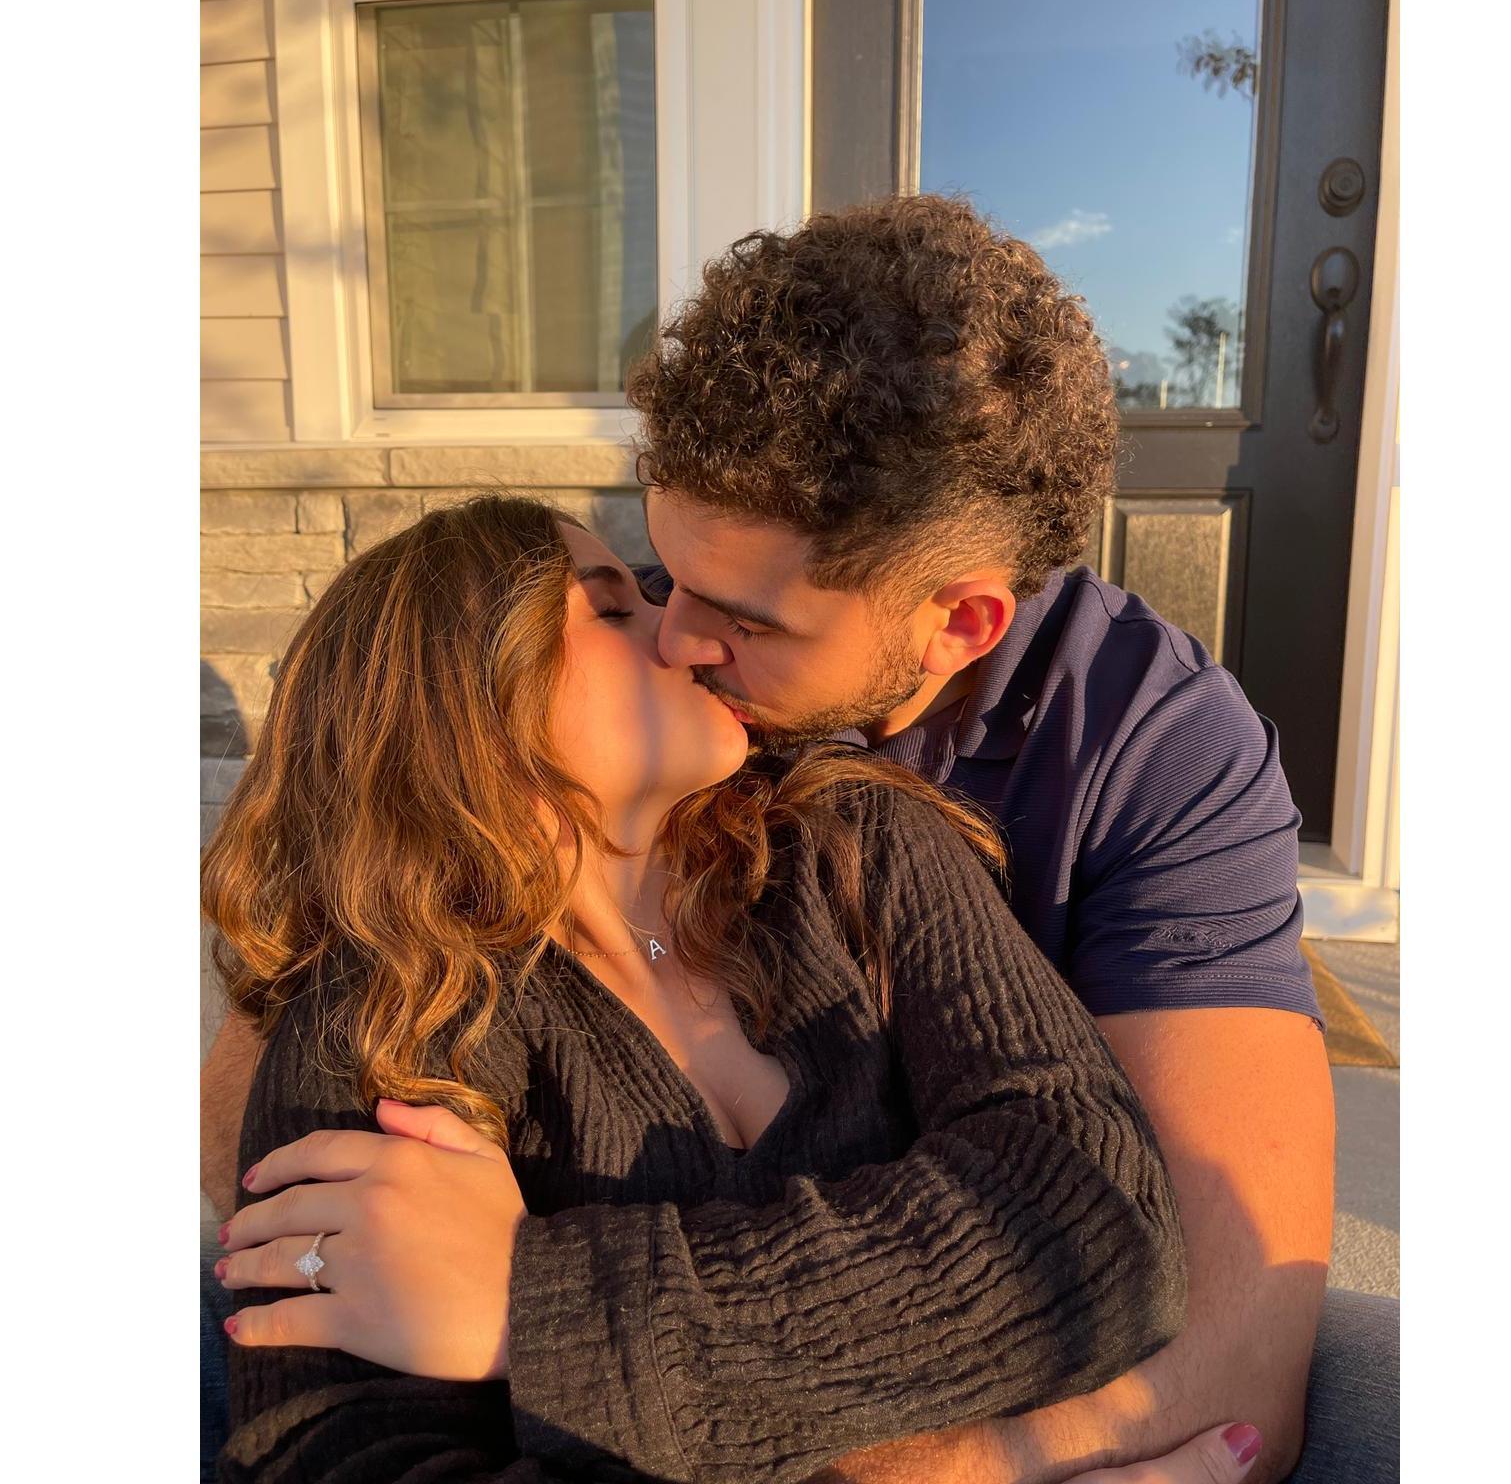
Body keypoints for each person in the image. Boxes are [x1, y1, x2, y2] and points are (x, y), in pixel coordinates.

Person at [204, 193, 1397, 1481]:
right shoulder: (583, 796)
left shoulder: (1021, 785)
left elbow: (1146, 1265)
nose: (677, 634)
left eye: (742, 619)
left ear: (958, 625)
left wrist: (534, 1305)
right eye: (647, 579)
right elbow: (289, 1201)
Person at [201, 495, 1198, 1482]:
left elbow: (1101, 1224)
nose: (684, 637)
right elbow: (333, 1458)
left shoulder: (858, 846)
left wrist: (540, 1309)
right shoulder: (382, 1020)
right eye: (613, 607)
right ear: (462, 702)